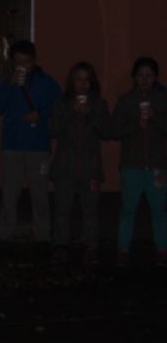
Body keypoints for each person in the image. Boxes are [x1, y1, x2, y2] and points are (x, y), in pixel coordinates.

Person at [0, 40, 62, 242]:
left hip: (38, 147)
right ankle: (6, 235)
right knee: (9, 195)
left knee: (40, 195)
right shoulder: (5, 83)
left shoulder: (46, 82)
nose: (23, 67)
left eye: (27, 62)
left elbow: (61, 106)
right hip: (11, 147)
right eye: (18, 62)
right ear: (12, 63)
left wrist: (41, 114)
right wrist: (9, 85)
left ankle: (42, 235)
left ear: (34, 60)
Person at [48, 62, 111, 265]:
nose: (83, 84)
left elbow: (107, 131)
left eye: (86, 80)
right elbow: (52, 130)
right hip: (65, 167)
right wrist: (70, 112)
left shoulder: (99, 104)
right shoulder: (61, 103)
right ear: (71, 82)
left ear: (92, 82)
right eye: (78, 79)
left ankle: (90, 246)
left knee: (90, 211)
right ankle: (60, 245)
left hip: (90, 167)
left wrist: (90, 113)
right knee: (62, 210)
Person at [110, 56, 167, 266]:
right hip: (131, 166)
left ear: (156, 77)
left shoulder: (163, 99)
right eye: (140, 75)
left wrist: (155, 118)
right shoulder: (126, 101)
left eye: (149, 75)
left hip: (157, 165)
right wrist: (136, 125)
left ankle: (162, 249)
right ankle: (123, 249)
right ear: (134, 77)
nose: (144, 80)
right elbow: (114, 130)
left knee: (159, 210)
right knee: (128, 209)